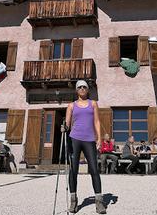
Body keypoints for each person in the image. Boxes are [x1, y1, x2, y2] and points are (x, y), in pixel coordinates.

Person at [64, 80, 106, 214]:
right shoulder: (71, 105)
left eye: (84, 87)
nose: (82, 89)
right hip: (74, 139)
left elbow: (97, 121)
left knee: (94, 169)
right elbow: (67, 123)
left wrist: (99, 138)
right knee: (73, 170)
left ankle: (99, 202)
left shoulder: (93, 103)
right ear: (76, 90)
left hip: (89, 140)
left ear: (87, 90)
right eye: (79, 87)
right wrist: (63, 127)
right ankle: (73, 201)